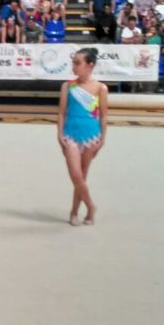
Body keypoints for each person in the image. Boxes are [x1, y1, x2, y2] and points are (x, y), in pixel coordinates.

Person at [56, 47, 108, 226]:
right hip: (70, 135)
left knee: (82, 177)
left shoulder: (100, 88)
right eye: (73, 63)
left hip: (91, 136)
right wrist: (59, 134)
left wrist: (102, 139)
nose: (74, 66)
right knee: (76, 175)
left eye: (78, 63)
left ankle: (74, 211)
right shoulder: (67, 86)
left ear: (90, 65)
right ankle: (91, 206)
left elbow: (103, 115)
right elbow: (61, 113)